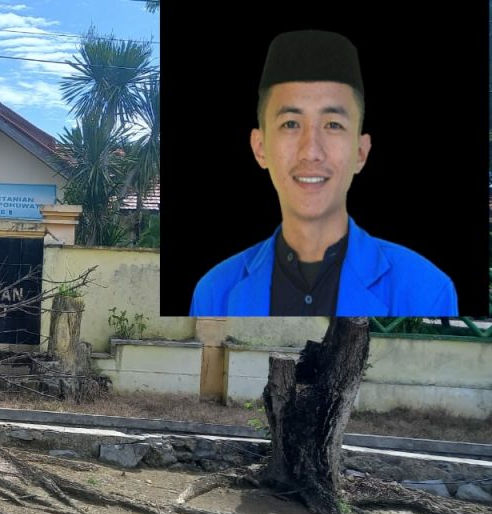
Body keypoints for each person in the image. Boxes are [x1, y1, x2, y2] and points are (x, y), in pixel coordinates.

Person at [190, 30, 458, 316]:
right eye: (291, 124)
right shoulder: (215, 292)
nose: (311, 151)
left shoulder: (425, 290)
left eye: (333, 125)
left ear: (360, 151)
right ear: (260, 147)